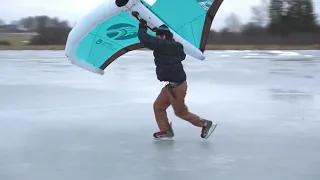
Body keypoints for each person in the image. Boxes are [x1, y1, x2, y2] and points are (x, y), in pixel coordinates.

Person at [137, 18, 217, 140]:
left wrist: (142, 26)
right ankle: (166, 131)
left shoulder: (165, 45)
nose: (157, 38)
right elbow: (152, 42)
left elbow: (145, 39)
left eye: (159, 35)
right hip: (171, 86)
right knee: (158, 106)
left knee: (181, 112)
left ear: (164, 37)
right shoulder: (170, 46)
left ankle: (205, 124)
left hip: (177, 87)